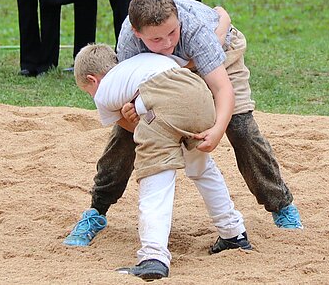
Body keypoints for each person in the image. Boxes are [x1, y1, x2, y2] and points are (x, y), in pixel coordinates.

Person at [64, 0, 302, 248]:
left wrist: (217, 129)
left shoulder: (195, 32)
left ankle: (281, 205)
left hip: (220, 59)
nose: (167, 43)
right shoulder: (129, 44)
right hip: (167, 72)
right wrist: (129, 112)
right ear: (137, 33)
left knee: (240, 127)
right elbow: (133, 94)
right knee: (125, 136)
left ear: (178, 20)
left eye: (172, 33)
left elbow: (223, 89)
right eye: (156, 39)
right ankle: (97, 210)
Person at [73, 43, 253, 280]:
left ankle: (153, 256)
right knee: (201, 167)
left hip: (161, 96)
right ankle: (233, 233)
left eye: (89, 91)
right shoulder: (143, 62)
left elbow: (133, 128)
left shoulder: (104, 92)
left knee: (155, 174)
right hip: (198, 91)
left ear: (92, 80)